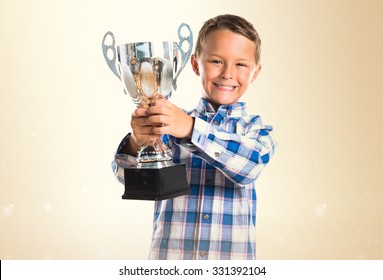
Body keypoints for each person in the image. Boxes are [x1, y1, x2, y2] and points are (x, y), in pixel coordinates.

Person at [112, 14, 276, 260]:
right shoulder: (168, 126)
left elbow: (250, 166)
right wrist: (139, 141)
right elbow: (127, 179)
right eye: (217, 61)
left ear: (255, 72)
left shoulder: (256, 130)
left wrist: (190, 129)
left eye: (241, 64)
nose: (228, 73)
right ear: (196, 64)